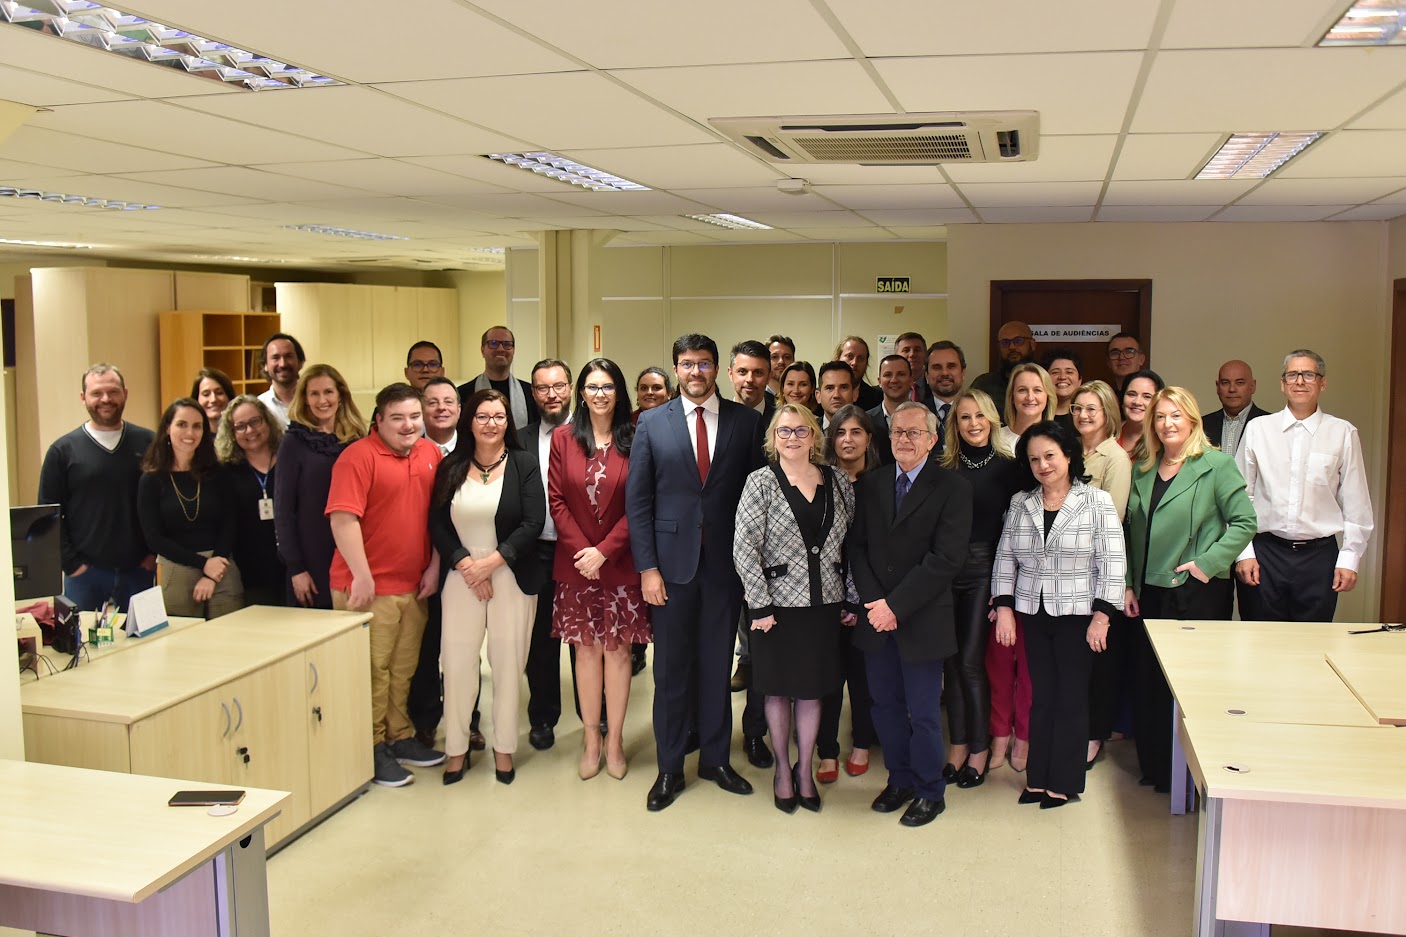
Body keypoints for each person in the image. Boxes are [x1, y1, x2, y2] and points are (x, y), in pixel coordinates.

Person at [625, 333, 763, 812]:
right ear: (676, 369)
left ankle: (716, 760)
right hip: (669, 571)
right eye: (687, 364)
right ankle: (668, 769)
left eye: (704, 363)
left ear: (717, 368)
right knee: (671, 672)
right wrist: (647, 569)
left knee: (717, 667)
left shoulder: (747, 423)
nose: (696, 372)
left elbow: (756, 499)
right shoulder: (651, 422)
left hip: (726, 569)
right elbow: (638, 502)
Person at [1125, 387, 1257, 791]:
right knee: (1148, 682)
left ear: (1193, 421)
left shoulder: (1216, 465)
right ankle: (1157, 769)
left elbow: (1245, 522)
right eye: (1160, 416)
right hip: (1150, 591)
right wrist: (1129, 583)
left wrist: (1209, 564)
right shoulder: (1144, 468)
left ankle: (1189, 777)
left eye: (1176, 416)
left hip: (1196, 590)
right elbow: (1133, 532)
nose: (1167, 423)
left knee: (1190, 688)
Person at [850, 403, 972, 828]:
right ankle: (899, 779)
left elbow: (946, 559)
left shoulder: (952, 488)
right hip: (875, 616)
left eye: (914, 433)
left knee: (922, 713)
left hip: (921, 617)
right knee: (884, 705)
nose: (904, 439)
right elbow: (858, 549)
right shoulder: (871, 484)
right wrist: (875, 604)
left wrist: (894, 607)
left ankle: (928, 791)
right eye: (898, 432)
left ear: (932, 439)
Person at [992, 421, 1125, 809]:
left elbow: (1113, 563)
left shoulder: (1096, 502)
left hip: (1079, 615)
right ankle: (1038, 779)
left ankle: (1063, 782)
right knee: (1041, 696)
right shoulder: (1021, 502)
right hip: (1032, 610)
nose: (1043, 465)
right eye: (1034, 459)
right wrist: (1003, 608)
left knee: (1070, 697)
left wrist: (1102, 617)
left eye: (1050, 455)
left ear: (1069, 455)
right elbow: (1005, 559)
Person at [734, 404, 856, 814]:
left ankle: (805, 770)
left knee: (811, 690)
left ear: (814, 436)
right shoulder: (760, 482)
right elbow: (744, 548)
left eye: (800, 430)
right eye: (783, 431)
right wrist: (759, 604)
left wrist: (850, 596)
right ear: (773, 437)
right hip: (774, 609)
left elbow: (850, 545)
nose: (792, 438)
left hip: (825, 605)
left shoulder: (838, 481)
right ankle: (783, 769)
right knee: (777, 689)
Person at [328, 383, 445, 788]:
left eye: (415, 416)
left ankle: (400, 736)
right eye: (397, 417)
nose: (408, 425)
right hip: (366, 588)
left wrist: (434, 567)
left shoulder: (430, 454)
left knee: (403, 669)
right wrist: (361, 575)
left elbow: (438, 520)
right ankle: (371, 747)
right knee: (371, 672)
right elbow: (343, 519)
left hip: (413, 586)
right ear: (378, 420)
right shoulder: (357, 458)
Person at [431, 389, 546, 786]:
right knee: (458, 664)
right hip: (461, 574)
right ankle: (457, 749)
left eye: (498, 416)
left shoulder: (524, 464)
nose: (491, 423)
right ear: (469, 421)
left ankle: (503, 749)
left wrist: (491, 564)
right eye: (482, 416)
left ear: (507, 421)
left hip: (509, 573)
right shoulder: (450, 466)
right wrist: (467, 565)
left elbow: (533, 522)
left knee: (508, 665)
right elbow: (437, 524)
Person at [549, 359, 649, 781]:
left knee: (619, 652)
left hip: (622, 563)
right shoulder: (563, 438)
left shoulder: (637, 437)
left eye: (608, 386)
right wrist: (585, 552)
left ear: (618, 391)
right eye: (592, 386)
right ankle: (591, 738)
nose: (600, 394)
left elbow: (642, 501)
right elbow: (556, 499)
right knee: (585, 651)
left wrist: (605, 550)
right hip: (576, 567)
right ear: (581, 393)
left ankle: (615, 741)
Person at [1234, 350, 1374, 623]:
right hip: (1264, 555)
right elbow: (1239, 497)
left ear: (1322, 383)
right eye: (1292, 375)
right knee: (1259, 641)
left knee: (1312, 643)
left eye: (1308, 374)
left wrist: (1349, 558)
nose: (1300, 381)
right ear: (1282, 383)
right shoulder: (1258, 429)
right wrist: (1243, 553)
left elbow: (1356, 502)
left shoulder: (1343, 432)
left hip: (1319, 558)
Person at [940, 389, 1023, 788]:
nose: (973, 424)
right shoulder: (943, 467)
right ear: (954, 424)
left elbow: (1019, 528)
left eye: (980, 416)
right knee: (949, 661)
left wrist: (1006, 587)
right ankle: (957, 744)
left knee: (971, 661)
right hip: (944, 570)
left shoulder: (1009, 468)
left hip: (985, 568)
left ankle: (979, 747)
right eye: (964, 417)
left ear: (992, 420)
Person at [38, 363, 156, 611]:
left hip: (139, 571)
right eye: (96, 393)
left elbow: (161, 502)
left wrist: (152, 554)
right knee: (83, 648)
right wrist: (71, 565)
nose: (106, 399)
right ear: (83, 398)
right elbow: (48, 514)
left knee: (145, 646)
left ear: (125, 393)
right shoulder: (62, 451)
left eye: (113, 392)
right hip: (84, 576)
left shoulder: (149, 443)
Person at [1071, 380, 1133, 766]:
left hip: (1095, 570)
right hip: (1065, 572)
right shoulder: (1070, 450)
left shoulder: (1115, 457)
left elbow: (1114, 517)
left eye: (1091, 408)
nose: (1083, 415)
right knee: (1075, 660)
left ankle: (1095, 734)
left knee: (1098, 660)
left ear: (1107, 412)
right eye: (1077, 408)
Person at [138, 399, 244, 618]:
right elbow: (154, 538)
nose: (190, 432)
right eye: (182, 424)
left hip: (221, 566)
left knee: (230, 645)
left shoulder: (218, 473)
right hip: (177, 569)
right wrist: (203, 565)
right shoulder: (151, 479)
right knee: (183, 646)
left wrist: (213, 572)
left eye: (197, 426)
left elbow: (230, 524)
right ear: (167, 428)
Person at [408, 376, 470, 753]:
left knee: (464, 649)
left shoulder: (474, 448)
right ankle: (427, 721)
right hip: (426, 563)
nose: (442, 408)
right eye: (432, 402)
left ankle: (469, 721)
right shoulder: (410, 449)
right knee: (428, 647)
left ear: (460, 410)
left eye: (449, 401)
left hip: (469, 562)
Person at [820, 404, 880, 782]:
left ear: (869, 439)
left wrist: (858, 599)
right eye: (841, 432)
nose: (848, 439)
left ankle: (861, 742)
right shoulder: (818, 481)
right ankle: (827, 750)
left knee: (861, 676)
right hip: (824, 595)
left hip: (867, 596)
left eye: (856, 432)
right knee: (827, 675)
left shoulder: (883, 484)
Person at [274, 364, 367, 610]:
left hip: (354, 553)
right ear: (304, 398)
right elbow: (283, 511)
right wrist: (296, 569)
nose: (322, 400)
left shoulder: (357, 438)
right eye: (314, 393)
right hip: (311, 557)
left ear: (341, 395)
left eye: (328, 392)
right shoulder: (293, 442)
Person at [727, 340, 777, 769]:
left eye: (758, 373)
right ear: (731, 374)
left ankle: (756, 732)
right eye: (742, 372)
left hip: (775, 558)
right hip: (726, 550)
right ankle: (706, 727)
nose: (750, 380)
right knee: (718, 645)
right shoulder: (720, 417)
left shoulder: (787, 419)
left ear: (769, 376)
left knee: (762, 651)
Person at [520, 358, 573, 750]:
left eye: (558, 386)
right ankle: (543, 716)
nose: (551, 395)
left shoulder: (591, 434)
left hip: (580, 552)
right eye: (542, 388)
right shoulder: (518, 439)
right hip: (535, 551)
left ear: (571, 388)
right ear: (533, 393)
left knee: (587, 639)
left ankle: (598, 714)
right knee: (540, 642)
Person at [215, 395, 286, 606]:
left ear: (267, 421)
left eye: (255, 421)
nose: (250, 431)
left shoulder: (288, 460)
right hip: (251, 571)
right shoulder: (227, 471)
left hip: (292, 567)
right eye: (240, 426)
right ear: (232, 433)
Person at [457, 325, 533, 429]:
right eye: (493, 343)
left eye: (507, 344)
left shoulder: (530, 393)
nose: (501, 349)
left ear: (513, 351)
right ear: (482, 350)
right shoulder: (462, 394)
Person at [1202, 360, 1268, 456]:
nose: (1232, 389)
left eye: (1240, 383)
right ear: (1217, 387)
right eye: (1225, 383)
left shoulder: (1270, 424)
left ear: (1253, 386)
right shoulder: (1201, 426)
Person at [971, 320, 1037, 403]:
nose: (1012, 347)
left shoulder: (1046, 381)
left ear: (1032, 345)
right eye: (1005, 343)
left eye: (1018, 341)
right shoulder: (984, 385)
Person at [867, 354, 914, 462]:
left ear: (911, 380)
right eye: (888, 375)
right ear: (879, 381)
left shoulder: (925, 417)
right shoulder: (865, 420)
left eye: (901, 374)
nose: (894, 380)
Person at [999, 362, 1056, 449]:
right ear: (1012, 397)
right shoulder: (995, 438)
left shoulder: (1058, 440)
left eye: (1037, 390)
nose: (1030, 397)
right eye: (1022, 390)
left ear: (1048, 397)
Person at [257, 333, 305, 428]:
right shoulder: (259, 406)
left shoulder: (315, 401)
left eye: (288, 356)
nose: (283, 364)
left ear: (300, 362)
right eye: (275, 358)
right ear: (265, 365)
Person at [1117, 369, 1165, 459]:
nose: (1137, 402)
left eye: (1147, 396)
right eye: (1131, 394)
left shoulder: (1164, 443)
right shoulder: (1108, 435)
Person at [924, 341, 966, 436]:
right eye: (937, 367)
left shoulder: (981, 412)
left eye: (951, 366)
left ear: (963, 373)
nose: (944, 373)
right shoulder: (916, 413)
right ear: (926, 376)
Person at [836, 335, 882, 410]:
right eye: (849, 356)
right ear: (838, 358)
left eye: (860, 358)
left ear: (866, 364)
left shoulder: (877, 398)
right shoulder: (822, 396)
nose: (854, 363)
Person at [1041, 348, 1082, 431]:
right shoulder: (1036, 414)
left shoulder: (1085, 416)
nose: (1062, 377)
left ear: (1079, 380)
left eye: (1069, 372)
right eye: (1055, 372)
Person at [895, 332, 930, 403]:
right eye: (906, 350)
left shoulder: (936, 386)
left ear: (926, 355)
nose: (912, 354)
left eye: (917, 350)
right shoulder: (881, 392)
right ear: (896, 356)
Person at [766, 335, 796, 400]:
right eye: (774, 357)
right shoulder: (757, 398)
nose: (781, 362)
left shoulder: (799, 397)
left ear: (793, 361)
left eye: (787, 357)